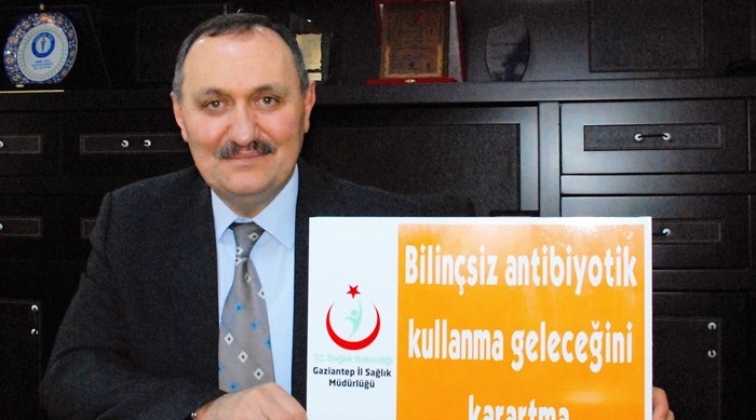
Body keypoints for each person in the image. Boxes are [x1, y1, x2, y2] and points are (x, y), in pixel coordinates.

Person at [39, 12, 673, 420]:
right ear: (179, 115)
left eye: (267, 99)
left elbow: (501, 371)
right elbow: (70, 378)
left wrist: (604, 401)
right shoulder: (134, 220)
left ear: (307, 105)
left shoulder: (402, 233)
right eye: (214, 104)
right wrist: (205, 410)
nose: (244, 132)